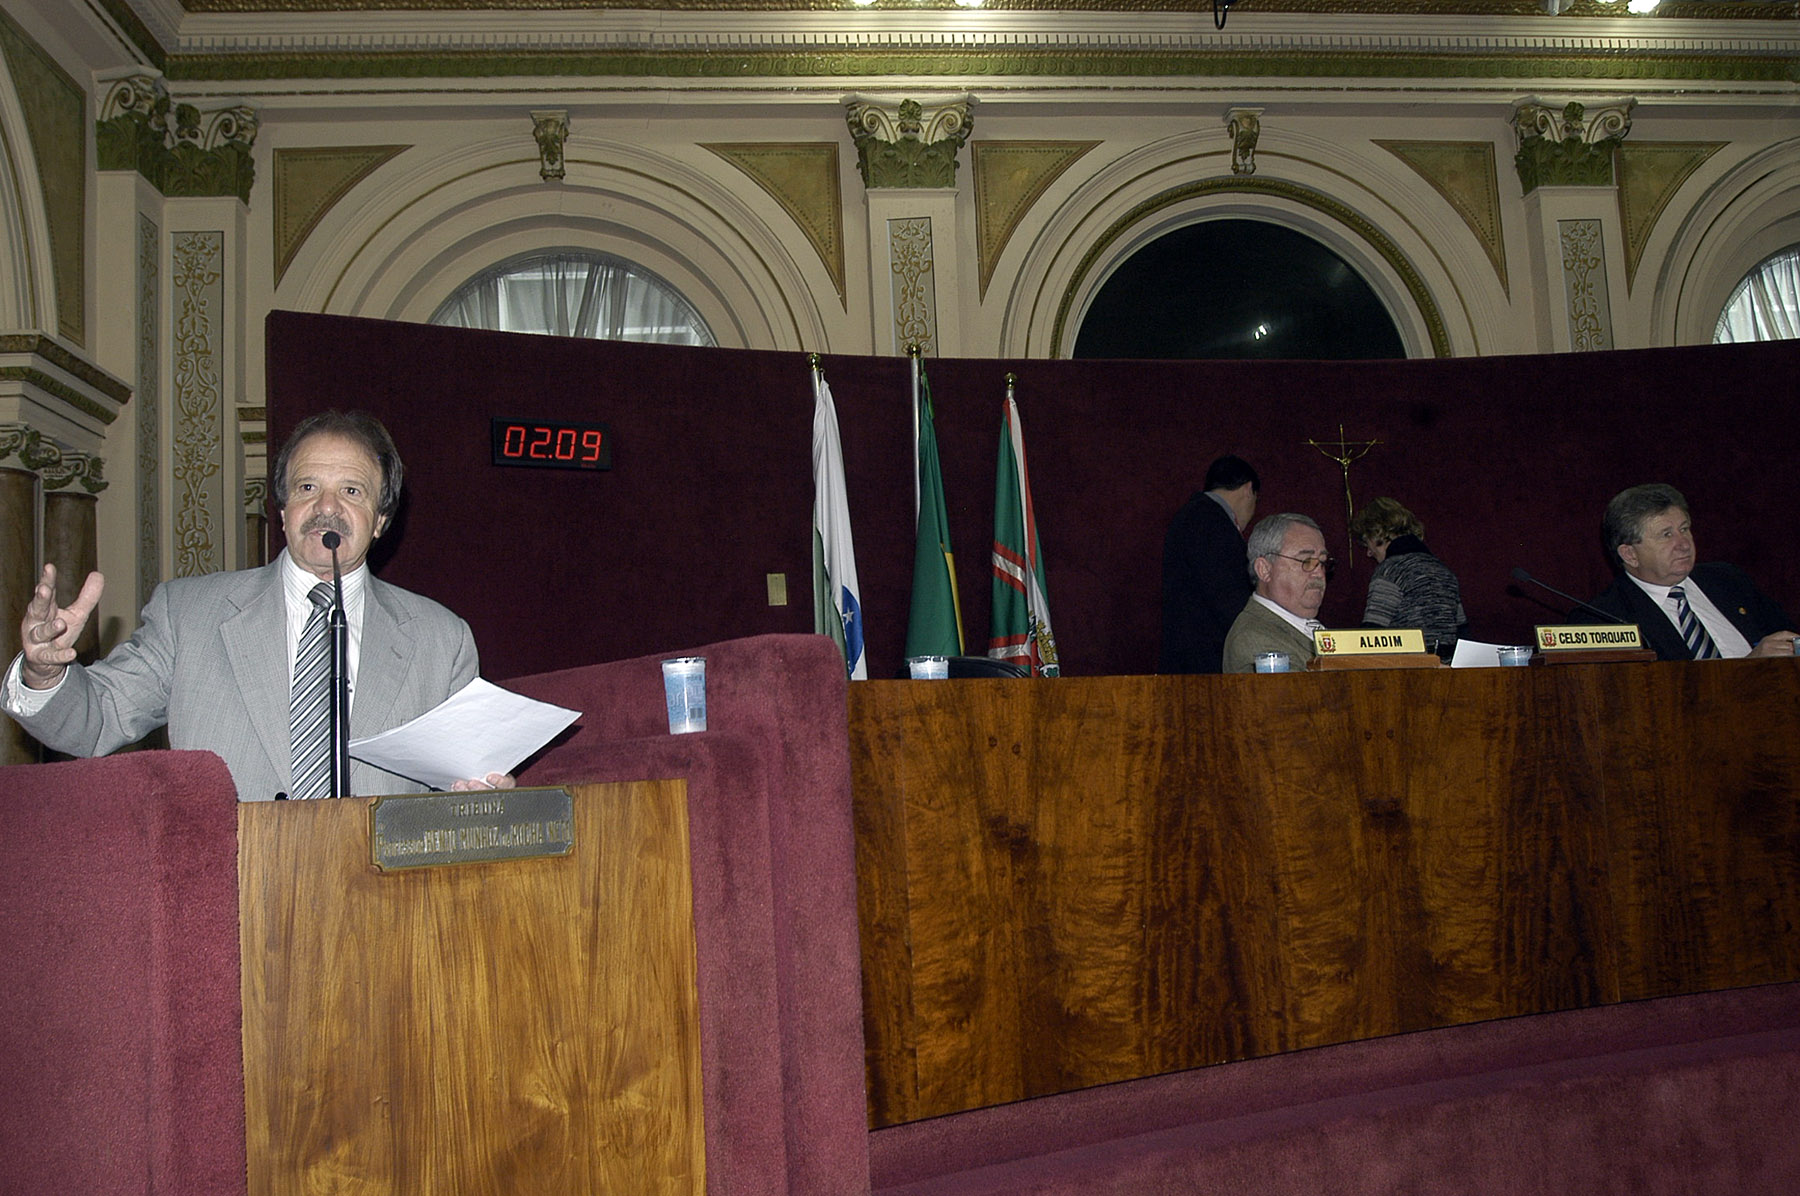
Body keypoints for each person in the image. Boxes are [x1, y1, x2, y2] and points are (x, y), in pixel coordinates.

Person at [4, 409, 514, 799]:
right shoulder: (189, 614)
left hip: (379, 914)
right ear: (284, 510)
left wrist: (482, 798)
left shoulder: (441, 639)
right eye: (308, 487)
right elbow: (96, 721)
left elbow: (459, 794)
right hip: (221, 904)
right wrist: (45, 676)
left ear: (380, 520)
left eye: (352, 490)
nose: (327, 507)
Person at [1586, 483, 1797, 662]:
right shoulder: (1604, 619)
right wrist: (1750, 668)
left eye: (1684, 529)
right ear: (1630, 554)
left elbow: (1790, 637)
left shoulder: (1728, 580)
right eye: (1666, 535)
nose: (1684, 544)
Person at [1160, 454, 1260, 674]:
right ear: (1248, 489)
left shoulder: (1192, 515)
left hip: (1186, 657)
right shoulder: (1212, 521)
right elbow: (1228, 597)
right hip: (1205, 663)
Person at [1348, 497, 1466, 658]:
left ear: (1377, 533)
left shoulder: (1390, 570)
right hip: (1448, 672)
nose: (1369, 552)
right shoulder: (1444, 571)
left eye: (1366, 541)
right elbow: (1463, 634)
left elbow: (1372, 636)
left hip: (1408, 673)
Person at [1222, 513, 1331, 673]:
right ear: (1264, 570)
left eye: (1322, 562)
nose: (1319, 573)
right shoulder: (1254, 640)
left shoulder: (1302, 625)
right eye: (1306, 561)